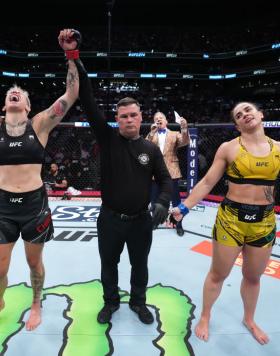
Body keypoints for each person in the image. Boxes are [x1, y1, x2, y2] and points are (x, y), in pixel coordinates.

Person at [171, 102, 280, 344]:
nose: (245, 115)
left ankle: (249, 319)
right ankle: (205, 316)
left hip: (263, 223)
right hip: (231, 221)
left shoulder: (279, 149)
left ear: (261, 115)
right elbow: (208, 182)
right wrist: (183, 207)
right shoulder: (228, 148)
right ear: (237, 125)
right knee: (218, 273)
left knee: (253, 277)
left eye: (248, 110)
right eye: (239, 115)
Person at [74, 59, 172, 325]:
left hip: (141, 220)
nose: (129, 119)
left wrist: (163, 202)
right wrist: (78, 64)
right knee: (109, 264)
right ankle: (110, 302)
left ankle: (138, 302)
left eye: (133, 115)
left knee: (140, 265)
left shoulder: (151, 149)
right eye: (123, 116)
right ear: (117, 119)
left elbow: (165, 180)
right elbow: (88, 102)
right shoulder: (107, 139)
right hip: (110, 219)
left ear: (141, 117)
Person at [0, 29, 79, 331]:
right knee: (0, 268)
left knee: (34, 264)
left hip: (34, 206)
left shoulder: (40, 124)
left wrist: (71, 55)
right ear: (5, 105)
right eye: (10, 92)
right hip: (3, 206)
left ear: (29, 106)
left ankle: (36, 302)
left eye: (20, 92)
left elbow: (70, 95)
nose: (14, 91)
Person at [146, 111, 189, 236]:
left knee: (176, 201)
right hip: (155, 172)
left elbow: (185, 142)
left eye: (161, 118)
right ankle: (155, 222)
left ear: (166, 121)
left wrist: (184, 128)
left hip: (172, 171)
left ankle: (178, 224)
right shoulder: (151, 135)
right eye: (156, 118)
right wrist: (151, 132)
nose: (158, 120)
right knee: (154, 200)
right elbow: (144, 146)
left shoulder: (175, 134)